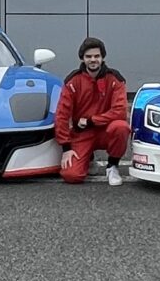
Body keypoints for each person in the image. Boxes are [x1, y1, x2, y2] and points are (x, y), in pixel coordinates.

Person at [54, 36, 132, 186]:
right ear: (82, 58)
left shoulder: (115, 79)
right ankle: (88, 158)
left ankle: (112, 166)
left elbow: (120, 112)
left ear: (102, 57)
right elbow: (61, 115)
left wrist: (91, 120)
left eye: (97, 56)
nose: (93, 60)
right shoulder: (73, 81)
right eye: (88, 56)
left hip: (106, 130)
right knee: (71, 175)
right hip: (82, 134)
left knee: (121, 127)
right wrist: (66, 148)